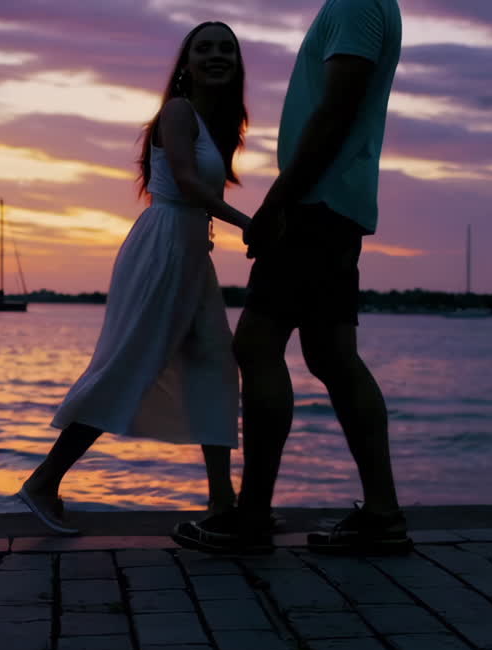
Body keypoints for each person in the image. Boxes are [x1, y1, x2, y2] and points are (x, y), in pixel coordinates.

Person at [172, 0, 412, 555]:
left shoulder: (356, 5)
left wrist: (279, 200)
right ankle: (381, 515)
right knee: (332, 356)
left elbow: (337, 108)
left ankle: (252, 516)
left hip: (316, 204)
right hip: (334, 203)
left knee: (257, 345)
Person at [16, 21, 253, 535]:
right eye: (205, 48)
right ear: (186, 64)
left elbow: (201, 191)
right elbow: (185, 182)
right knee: (130, 362)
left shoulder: (220, 121)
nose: (216, 56)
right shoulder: (178, 111)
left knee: (216, 364)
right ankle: (43, 482)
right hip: (163, 247)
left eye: (226, 49)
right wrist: (248, 225)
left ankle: (223, 501)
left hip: (192, 251)